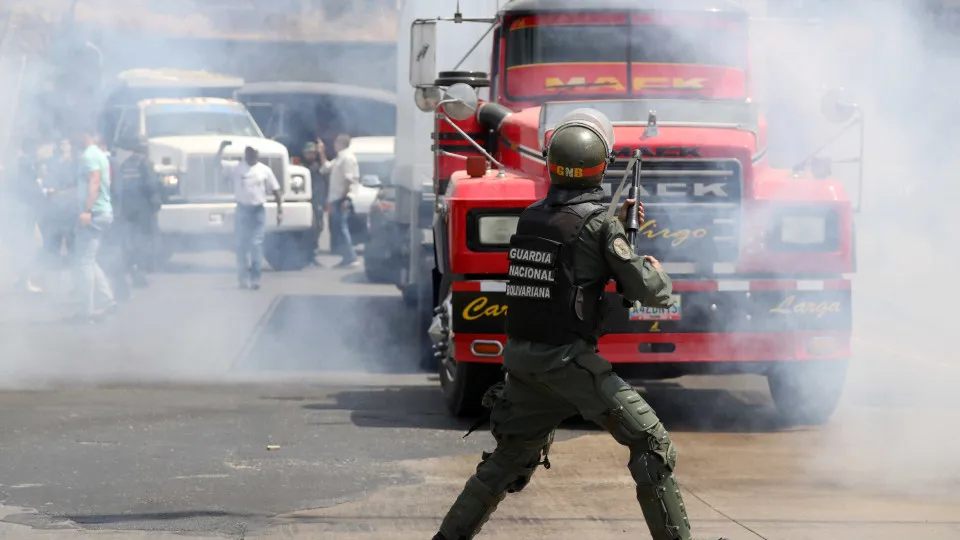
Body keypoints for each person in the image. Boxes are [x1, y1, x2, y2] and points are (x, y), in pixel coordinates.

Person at [432, 110, 728, 540]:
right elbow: (650, 291)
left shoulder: (532, 215)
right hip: (568, 363)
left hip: (525, 362)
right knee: (651, 443)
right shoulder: (602, 226)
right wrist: (646, 262)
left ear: (551, 163)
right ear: (600, 167)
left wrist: (614, 227)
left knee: (506, 461)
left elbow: (573, 244)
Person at [70, 124, 116, 322]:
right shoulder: (98, 153)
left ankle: (87, 310)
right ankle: (106, 300)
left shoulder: (89, 155)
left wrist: (86, 210)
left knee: (84, 261)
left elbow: (94, 182)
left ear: (83, 133)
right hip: (102, 211)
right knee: (90, 259)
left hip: (95, 212)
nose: (72, 140)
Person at [225, 146, 282, 290]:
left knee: (256, 244)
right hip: (242, 209)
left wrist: (280, 210)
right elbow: (216, 165)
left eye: (255, 156)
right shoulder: (236, 168)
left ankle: (255, 278)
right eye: (250, 156)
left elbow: (276, 189)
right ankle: (243, 279)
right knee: (241, 245)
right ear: (245, 156)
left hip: (258, 211)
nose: (253, 159)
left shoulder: (264, 170)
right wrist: (221, 148)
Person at [113, 137, 161, 292]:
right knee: (143, 243)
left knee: (129, 243)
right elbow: (151, 186)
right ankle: (140, 275)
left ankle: (131, 271)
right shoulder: (146, 164)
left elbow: (119, 187)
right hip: (143, 210)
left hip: (127, 210)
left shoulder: (125, 164)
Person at [317, 133, 359, 268]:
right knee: (337, 228)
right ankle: (346, 257)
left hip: (341, 199)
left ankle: (351, 257)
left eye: (336, 143)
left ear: (341, 143)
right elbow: (326, 168)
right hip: (335, 199)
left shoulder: (347, 158)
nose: (334, 145)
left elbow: (348, 179)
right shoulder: (339, 158)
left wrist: (345, 198)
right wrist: (322, 152)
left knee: (342, 228)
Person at [40, 137, 77, 270]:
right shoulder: (51, 164)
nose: (63, 147)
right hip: (55, 210)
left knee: (72, 245)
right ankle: (53, 277)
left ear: (70, 146)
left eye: (66, 144)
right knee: (53, 245)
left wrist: (62, 193)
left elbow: (79, 187)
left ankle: (75, 279)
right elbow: (46, 184)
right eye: (61, 144)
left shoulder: (76, 164)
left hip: (71, 210)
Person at [301, 141, 327, 264]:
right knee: (309, 229)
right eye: (309, 153)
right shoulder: (301, 167)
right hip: (306, 202)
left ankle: (313, 253)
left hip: (317, 201)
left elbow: (322, 183)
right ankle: (308, 254)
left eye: (313, 153)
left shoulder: (318, 167)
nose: (311, 155)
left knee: (319, 227)